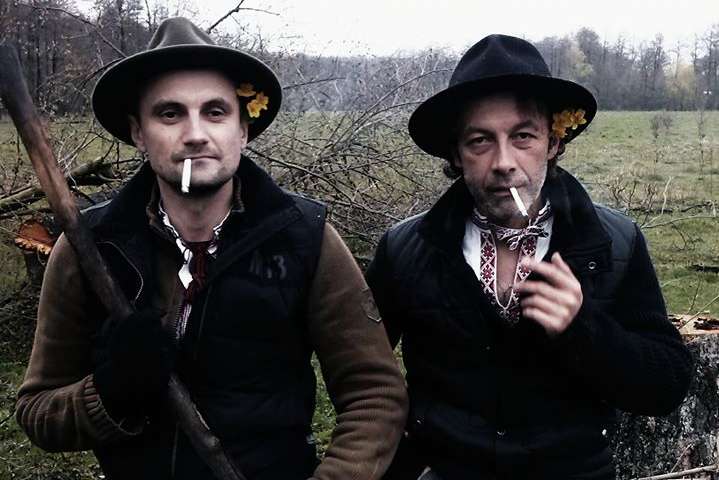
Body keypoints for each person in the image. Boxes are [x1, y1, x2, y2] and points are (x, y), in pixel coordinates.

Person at [16, 17, 407, 480]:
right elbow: (38, 410)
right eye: (170, 114)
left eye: (215, 112)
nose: (196, 134)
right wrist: (110, 394)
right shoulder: (91, 247)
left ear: (243, 130)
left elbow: (374, 394)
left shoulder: (304, 238)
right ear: (138, 133)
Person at [366, 34, 692, 480]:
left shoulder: (613, 244)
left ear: (553, 142)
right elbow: (364, 378)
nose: (504, 161)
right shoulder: (407, 248)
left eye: (523, 136)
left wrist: (582, 327)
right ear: (457, 154)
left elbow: (665, 387)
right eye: (480, 140)